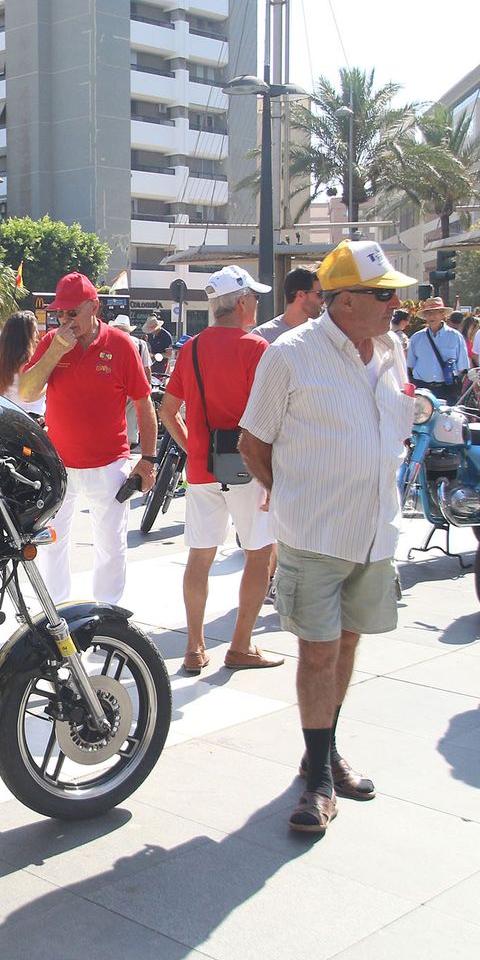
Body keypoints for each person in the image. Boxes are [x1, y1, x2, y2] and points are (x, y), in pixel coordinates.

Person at [238, 239, 417, 834]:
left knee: (346, 644)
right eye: (384, 294)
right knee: (317, 650)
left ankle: (324, 750)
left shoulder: (393, 351)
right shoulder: (289, 354)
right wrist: (291, 494)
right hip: (315, 532)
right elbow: (253, 444)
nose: (397, 303)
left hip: (374, 531)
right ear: (343, 301)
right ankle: (317, 779)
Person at [160, 266, 280, 674]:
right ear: (242, 302)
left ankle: (194, 648)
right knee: (259, 555)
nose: (258, 305)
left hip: (202, 469)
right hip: (249, 467)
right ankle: (240, 646)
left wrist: (194, 445)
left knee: (200, 556)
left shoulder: (191, 348)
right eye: (255, 298)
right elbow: (269, 417)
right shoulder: (256, 348)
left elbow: (167, 410)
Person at [19, 272, 155, 606]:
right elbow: (26, 391)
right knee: (52, 543)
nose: (65, 320)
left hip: (109, 464)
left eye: (72, 312)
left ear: (93, 307)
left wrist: (148, 460)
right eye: (60, 313)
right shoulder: (53, 341)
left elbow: (144, 403)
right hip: (59, 466)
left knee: (110, 544)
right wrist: (55, 352)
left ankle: (108, 615)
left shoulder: (121, 345)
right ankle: (55, 615)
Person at [407, 296, 468, 405]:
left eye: (436, 312)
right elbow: (410, 364)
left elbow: (462, 367)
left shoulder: (455, 337)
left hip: (446, 389)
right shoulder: (416, 338)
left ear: (442, 315)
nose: (432, 316)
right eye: (428, 313)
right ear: (425, 316)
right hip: (422, 388)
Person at [0, 311, 45, 414]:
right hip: (30, 418)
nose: (37, 335)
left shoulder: (1, 361)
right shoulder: (26, 360)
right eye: (34, 331)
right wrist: (47, 384)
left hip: (8, 416)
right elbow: (29, 394)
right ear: (26, 336)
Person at [112, 314, 153, 449]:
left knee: (113, 420)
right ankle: (126, 450)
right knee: (130, 421)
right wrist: (147, 390)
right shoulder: (141, 344)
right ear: (129, 329)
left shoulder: (110, 341)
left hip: (112, 387)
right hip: (134, 388)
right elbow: (146, 368)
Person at [252, 266, 322, 344]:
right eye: (320, 294)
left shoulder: (320, 332)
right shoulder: (263, 336)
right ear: (300, 295)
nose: (324, 299)